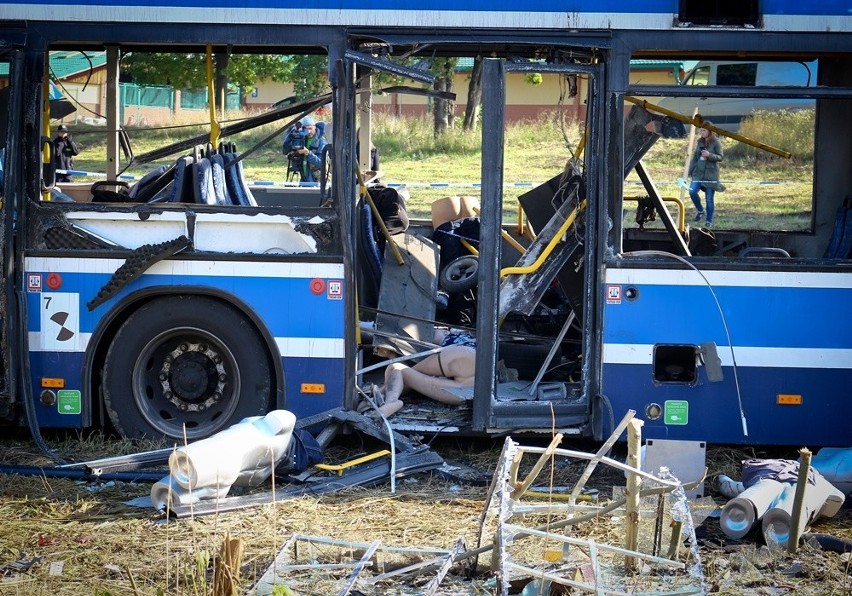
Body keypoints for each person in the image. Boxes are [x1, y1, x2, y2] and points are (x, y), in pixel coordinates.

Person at [367, 328, 477, 419]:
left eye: (434, 330)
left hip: (465, 356)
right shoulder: (467, 338)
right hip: (471, 389)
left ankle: (389, 401)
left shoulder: (453, 338)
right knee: (402, 372)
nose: (430, 333)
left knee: (396, 368)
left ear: (446, 331)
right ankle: (387, 402)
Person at [688, 122, 724, 228]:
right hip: (698, 173)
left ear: (709, 131)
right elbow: (695, 157)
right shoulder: (700, 141)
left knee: (709, 199)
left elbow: (720, 157)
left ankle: (709, 221)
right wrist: (690, 171)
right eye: (701, 130)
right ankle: (700, 210)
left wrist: (710, 155)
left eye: (704, 130)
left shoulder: (716, 142)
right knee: (692, 191)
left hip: (710, 175)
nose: (701, 132)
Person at [282, 115, 328, 183]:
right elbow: (285, 151)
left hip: (318, 181)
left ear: (315, 127)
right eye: (306, 129)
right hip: (304, 178)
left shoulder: (321, 142)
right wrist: (291, 135)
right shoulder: (301, 139)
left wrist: (308, 153)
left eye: (310, 128)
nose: (308, 131)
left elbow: (321, 164)